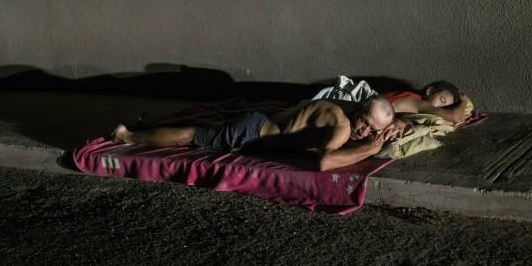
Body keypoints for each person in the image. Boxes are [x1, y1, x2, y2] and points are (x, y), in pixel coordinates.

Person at [110, 96, 398, 171]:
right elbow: (324, 162)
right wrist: (369, 149)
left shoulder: (346, 107)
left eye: (372, 129)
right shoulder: (343, 125)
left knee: (207, 124)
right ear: (359, 111)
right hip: (251, 135)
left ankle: (142, 126)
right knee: (191, 136)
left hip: (260, 122)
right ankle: (127, 136)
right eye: (364, 121)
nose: (364, 130)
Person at [382, 80, 469, 125]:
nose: (439, 108)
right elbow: (454, 117)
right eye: (442, 100)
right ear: (429, 91)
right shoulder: (418, 102)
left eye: (444, 107)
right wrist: (464, 101)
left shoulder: (410, 97)